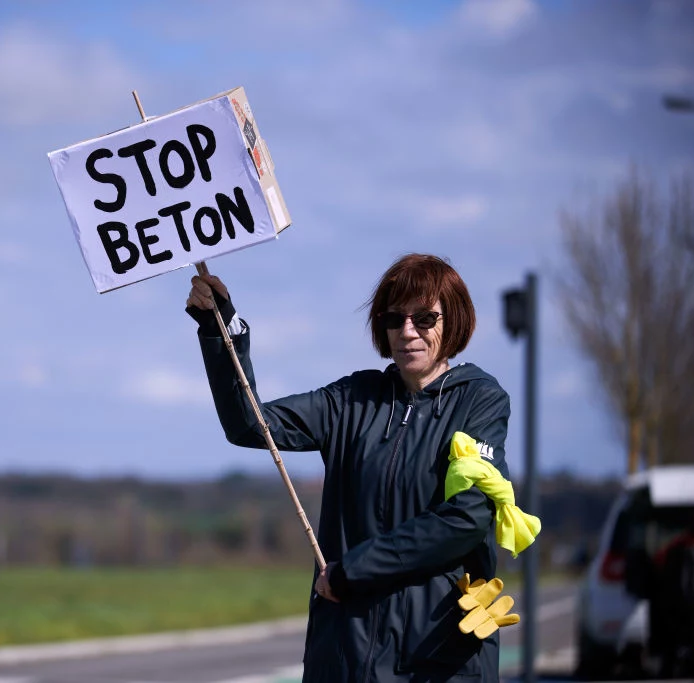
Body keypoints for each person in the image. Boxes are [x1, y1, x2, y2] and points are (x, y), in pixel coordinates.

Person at [186, 253, 512, 682]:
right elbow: (250, 424)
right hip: (343, 659)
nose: (408, 331)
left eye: (425, 318)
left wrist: (353, 572)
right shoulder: (351, 400)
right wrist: (220, 328)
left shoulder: (479, 401)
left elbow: (466, 517)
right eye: (395, 319)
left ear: (452, 321)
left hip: (438, 660)